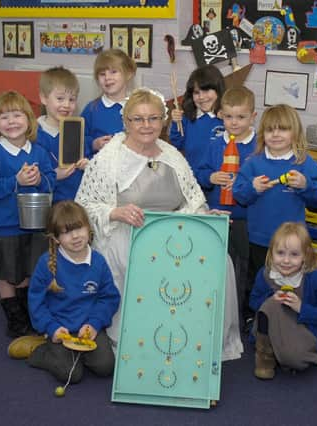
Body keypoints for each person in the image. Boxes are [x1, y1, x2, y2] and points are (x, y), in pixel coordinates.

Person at [75, 87, 243, 361]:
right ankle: (143, 339)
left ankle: (194, 338)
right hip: (127, 232)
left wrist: (206, 218)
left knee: (218, 259)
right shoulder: (110, 157)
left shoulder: (171, 154)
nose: (146, 126)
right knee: (139, 260)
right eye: (138, 119)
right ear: (126, 122)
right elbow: (84, 206)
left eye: (153, 118)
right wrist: (115, 212)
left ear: (163, 121)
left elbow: (192, 201)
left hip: (172, 230)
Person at [232, 103, 317, 330]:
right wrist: (253, 188)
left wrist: (306, 185)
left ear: (294, 132)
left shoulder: (303, 162)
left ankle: (291, 312)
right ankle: (252, 313)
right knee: (257, 279)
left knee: (294, 278)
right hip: (259, 236)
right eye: (270, 129)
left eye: (282, 129)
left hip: (292, 241)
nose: (275, 135)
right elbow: (240, 195)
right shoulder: (253, 163)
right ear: (262, 133)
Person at [0, 90, 56, 338]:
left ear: (29, 120)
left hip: (36, 226)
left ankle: (26, 311)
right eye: (4, 117)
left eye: (17, 115)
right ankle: (14, 318)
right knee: (8, 274)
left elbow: (51, 181)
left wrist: (40, 179)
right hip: (7, 226)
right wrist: (16, 181)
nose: (11, 122)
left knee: (28, 270)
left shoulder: (40, 152)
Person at [24, 201, 120, 384]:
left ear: (88, 228)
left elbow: (109, 298)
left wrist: (94, 324)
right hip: (60, 330)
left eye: (79, 228)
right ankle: (41, 351)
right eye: (67, 232)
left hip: (87, 329)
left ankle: (75, 353)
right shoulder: (46, 264)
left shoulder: (98, 262)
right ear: (56, 238)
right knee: (72, 375)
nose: (75, 236)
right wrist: (51, 328)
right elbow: (36, 302)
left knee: (106, 367)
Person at [195, 86, 257, 327]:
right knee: (217, 264)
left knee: (245, 266)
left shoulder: (257, 148)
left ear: (253, 117)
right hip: (217, 214)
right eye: (229, 116)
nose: (234, 122)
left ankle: (243, 312)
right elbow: (199, 173)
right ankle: (215, 310)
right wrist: (211, 177)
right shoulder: (215, 144)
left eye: (241, 117)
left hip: (246, 217)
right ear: (221, 115)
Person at [249, 222, 317, 379]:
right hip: (271, 327)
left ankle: (283, 352)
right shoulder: (266, 274)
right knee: (270, 304)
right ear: (271, 253)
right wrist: (270, 299)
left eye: (294, 254)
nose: (286, 261)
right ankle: (265, 357)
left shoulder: (316, 278)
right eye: (280, 253)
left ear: (306, 255)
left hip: (304, 328)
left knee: (295, 359)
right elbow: (253, 302)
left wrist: (301, 307)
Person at [35, 66, 89, 204]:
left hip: (78, 202)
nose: (66, 105)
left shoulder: (77, 130)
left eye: (72, 100)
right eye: (60, 98)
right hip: (49, 206)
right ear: (44, 98)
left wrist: (87, 165)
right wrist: (54, 175)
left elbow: (88, 158)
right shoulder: (34, 135)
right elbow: (31, 178)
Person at [169, 64, 226, 172]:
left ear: (218, 90)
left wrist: (228, 118)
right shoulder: (188, 117)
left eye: (206, 91)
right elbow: (178, 144)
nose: (201, 97)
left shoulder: (227, 119)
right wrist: (176, 122)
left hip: (219, 182)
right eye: (196, 92)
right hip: (193, 179)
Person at [81, 49, 137, 155]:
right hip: (99, 167)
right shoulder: (92, 109)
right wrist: (93, 144)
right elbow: (77, 140)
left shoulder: (137, 107)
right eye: (102, 74)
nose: (107, 78)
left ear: (128, 74)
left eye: (113, 72)